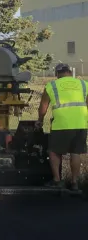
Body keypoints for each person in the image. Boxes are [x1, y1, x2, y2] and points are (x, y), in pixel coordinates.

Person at [37, 63, 87, 191]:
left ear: (57, 74)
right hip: (80, 123)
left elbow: (43, 107)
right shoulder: (83, 84)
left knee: (54, 151)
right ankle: (75, 183)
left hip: (61, 124)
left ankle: (57, 180)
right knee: (75, 152)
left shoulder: (52, 85)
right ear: (70, 72)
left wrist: (40, 120)